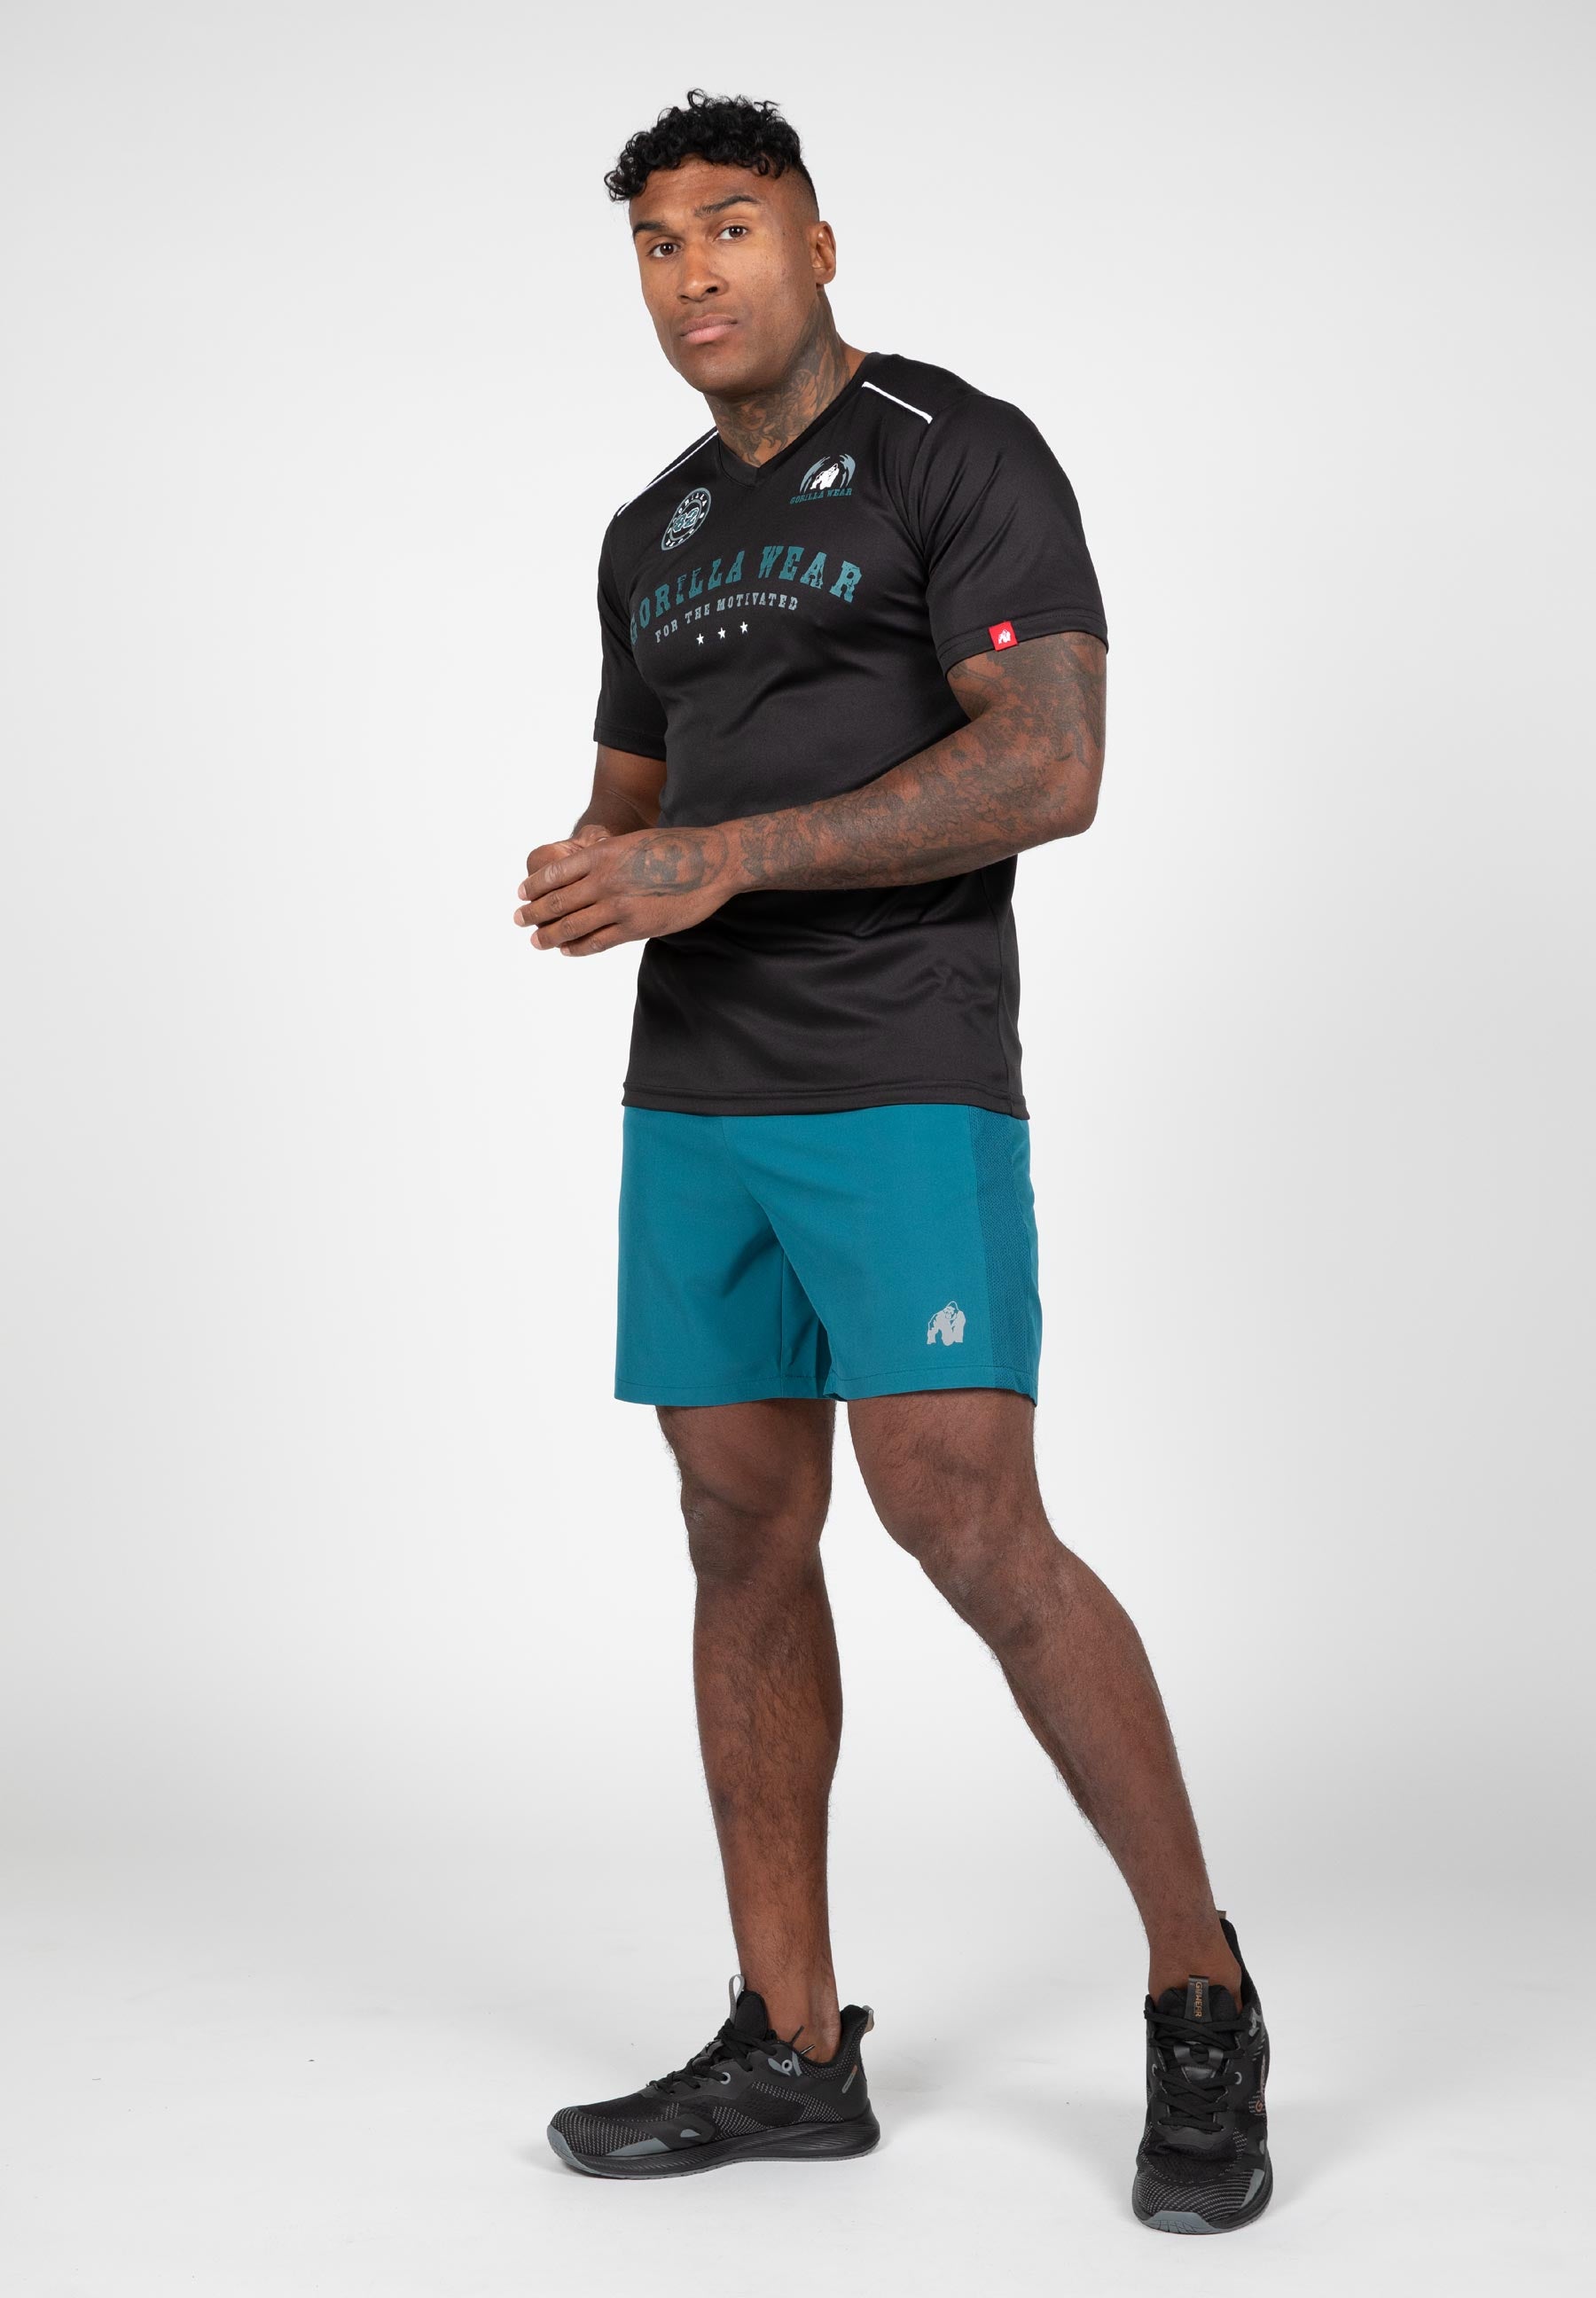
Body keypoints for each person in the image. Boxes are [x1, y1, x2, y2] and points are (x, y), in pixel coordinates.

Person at [512, 90, 1271, 2232]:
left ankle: (1202, 1993)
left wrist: (720, 860)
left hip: (902, 1067)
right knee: (737, 1529)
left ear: (819, 243)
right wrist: (596, 870)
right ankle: (790, 2043)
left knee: (967, 1515)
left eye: (731, 227)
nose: (694, 274)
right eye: (658, 242)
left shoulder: (958, 452)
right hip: (698, 1095)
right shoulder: (651, 532)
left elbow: (1052, 765)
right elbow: (637, 796)